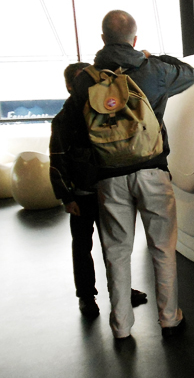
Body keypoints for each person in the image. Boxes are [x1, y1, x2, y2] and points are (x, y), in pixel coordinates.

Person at [61, 10, 194, 340]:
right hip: (152, 171)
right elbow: (191, 73)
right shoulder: (153, 70)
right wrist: (150, 56)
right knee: (162, 249)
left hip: (108, 177)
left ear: (102, 38)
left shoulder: (85, 80)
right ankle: (169, 320)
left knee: (117, 253)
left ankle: (121, 326)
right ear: (135, 39)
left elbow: (72, 133)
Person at [49, 62, 148, 318]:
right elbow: (57, 158)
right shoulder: (64, 119)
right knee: (83, 247)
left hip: (110, 190)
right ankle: (86, 296)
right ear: (69, 86)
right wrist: (66, 196)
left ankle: (121, 289)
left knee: (115, 245)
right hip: (82, 194)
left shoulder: (105, 110)